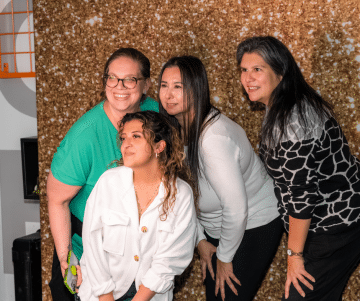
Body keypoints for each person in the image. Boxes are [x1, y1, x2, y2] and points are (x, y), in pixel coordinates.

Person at [236, 36, 360, 301]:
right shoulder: (282, 106)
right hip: (324, 223)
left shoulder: (294, 123)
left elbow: (302, 196)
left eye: (257, 69)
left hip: (337, 223)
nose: (247, 78)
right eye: (244, 70)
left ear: (280, 73)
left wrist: (294, 256)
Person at [158, 55, 283, 301]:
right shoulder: (174, 130)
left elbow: (236, 208)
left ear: (197, 89)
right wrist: (200, 240)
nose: (168, 94)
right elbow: (180, 194)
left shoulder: (213, 139)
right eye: (163, 85)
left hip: (253, 224)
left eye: (178, 86)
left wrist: (224, 259)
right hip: (215, 227)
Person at [47, 48, 158, 301]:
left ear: (146, 85)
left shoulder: (156, 115)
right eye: (112, 78)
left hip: (136, 253)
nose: (120, 86)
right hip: (88, 252)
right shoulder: (84, 136)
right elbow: (57, 199)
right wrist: (67, 260)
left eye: (130, 79)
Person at [78, 111, 197, 301]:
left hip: (149, 296)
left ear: (159, 146)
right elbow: (92, 244)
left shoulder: (181, 194)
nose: (126, 144)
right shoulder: (108, 183)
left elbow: (168, 262)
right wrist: (105, 296)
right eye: (123, 138)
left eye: (136, 136)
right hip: (101, 295)